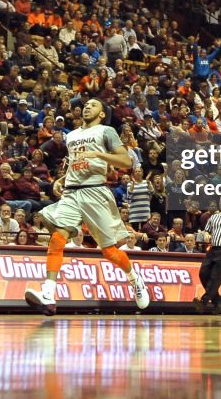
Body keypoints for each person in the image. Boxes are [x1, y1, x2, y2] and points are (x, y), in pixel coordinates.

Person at [25, 98, 149, 315]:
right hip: (72, 192)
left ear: (102, 114)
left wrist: (99, 154)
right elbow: (76, 164)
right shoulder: (71, 135)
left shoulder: (106, 131)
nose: (88, 106)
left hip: (95, 191)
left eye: (94, 104)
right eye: (86, 104)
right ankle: (48, 293)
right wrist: (62, 179)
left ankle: (135, 280)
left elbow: (126, 162)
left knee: (109, 251)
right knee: (57, 237)